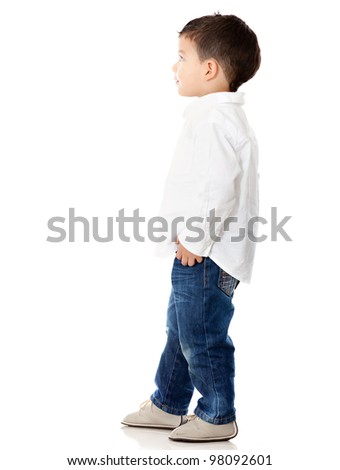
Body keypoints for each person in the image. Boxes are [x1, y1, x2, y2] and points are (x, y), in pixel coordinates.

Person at [122, 13, 261, 442]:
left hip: (205, 253)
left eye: (181, 57)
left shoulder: (215, 121)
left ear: (209, 69)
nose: (173, 66)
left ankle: (219, 415)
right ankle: (168, 403)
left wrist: (196, 239)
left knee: (201, 336)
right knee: (183, 329)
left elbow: (215, 188)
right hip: (200, 250)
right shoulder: (213, 117)